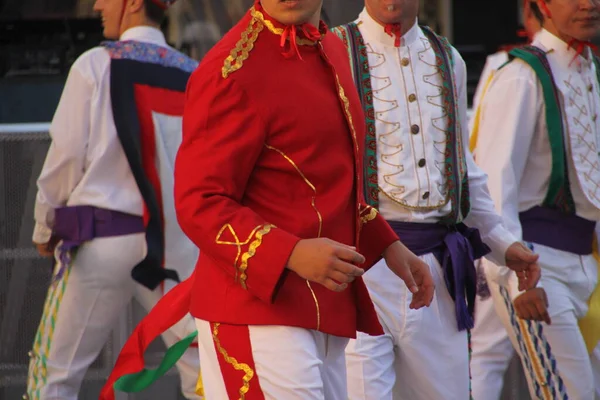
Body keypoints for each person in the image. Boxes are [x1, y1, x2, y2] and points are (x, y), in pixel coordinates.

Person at [98, 1, 439, 399]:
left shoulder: (331, 48)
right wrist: (291, 253)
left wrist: (388, 245)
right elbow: (199, 202)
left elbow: (329, 180)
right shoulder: (228, 69)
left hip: (323, 312)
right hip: (254, 311)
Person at [332, 1, 543, 399]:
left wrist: (502, 245)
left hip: (435, 272)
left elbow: (464, 171)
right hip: (361, 268)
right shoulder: (333, 50)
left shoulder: (448, 57)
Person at [27, 0, 202, 399]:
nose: (97, 5)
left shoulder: (94, 64)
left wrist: (44, 226)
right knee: (205, 366)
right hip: (174, 247)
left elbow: (66, 158)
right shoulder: (194, 75)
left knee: (54, 375)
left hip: (101, 240)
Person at [472, 0, 600, 397]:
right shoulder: (521, 77)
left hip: (586, 261)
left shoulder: (588, 69)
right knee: (567, 391)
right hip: (537, 264)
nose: (589, 3)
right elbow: (494, 187)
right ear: (541, 4)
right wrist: (517, 282)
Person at [469, 2, 544, 399]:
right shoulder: (508, 68)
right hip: (510, 228)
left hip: (569, 240)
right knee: (489, 347)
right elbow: (484, 150)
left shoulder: (586, 68)